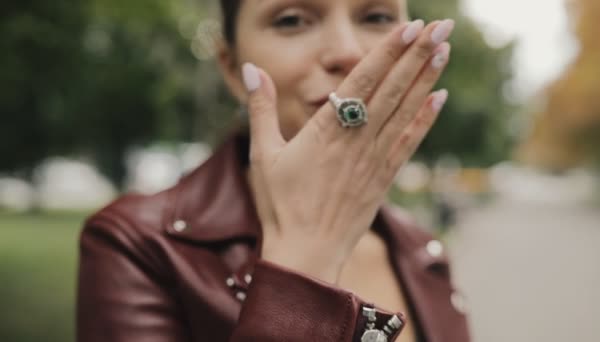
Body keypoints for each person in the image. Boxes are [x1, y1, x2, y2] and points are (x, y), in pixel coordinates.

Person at [77, 0, 470, 341]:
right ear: (232, 68)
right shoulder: (139, 246)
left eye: (377, 16)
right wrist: (302, 269)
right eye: (291, 19)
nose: (348, 52)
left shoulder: (422, 252)